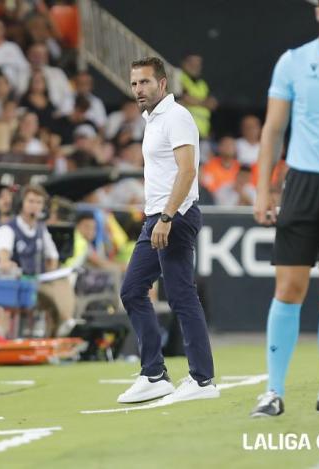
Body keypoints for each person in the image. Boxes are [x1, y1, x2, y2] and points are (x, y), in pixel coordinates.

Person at [250, 0, 319, 417]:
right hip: (303, 184)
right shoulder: (292, 62)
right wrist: (262, 190)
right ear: (318, 13)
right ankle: (272, 392)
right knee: (289, 289)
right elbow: (273, 130)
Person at [117, 57, 218, 405]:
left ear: (162, 85)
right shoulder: (154, 120)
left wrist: (167, 217)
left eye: (144, 82)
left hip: (173, 217)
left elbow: (187, 172)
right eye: (134, 84)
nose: (138, 90)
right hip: (156, 218)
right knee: (132, 291)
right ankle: (154, 374)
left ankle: (203, 379)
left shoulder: (176, 117)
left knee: (180, 296)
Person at [0, 184, 76, 337]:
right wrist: (5, 262)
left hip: (37, 281)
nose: (35, 206)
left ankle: (63, 322)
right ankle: (66, 319)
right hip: (18, 283)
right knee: (53, 290)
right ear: (21, 203)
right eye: (31, 201)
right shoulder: (7, 229)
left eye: (39, 202)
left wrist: (51, 269)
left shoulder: (41, 230)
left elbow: (52, 256)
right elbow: (3, 254)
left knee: (63, 279)